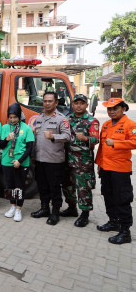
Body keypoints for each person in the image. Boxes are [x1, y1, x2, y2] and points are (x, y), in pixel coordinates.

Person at [95, 98, 136, 244]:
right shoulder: (106, 125)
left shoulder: (130, 125)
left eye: (115, 109)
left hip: (120, 169)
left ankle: (125, 232)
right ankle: (113, 222)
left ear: (123, 109)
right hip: (106, 168)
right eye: (109, 109)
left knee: (122, 198)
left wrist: (116, 143)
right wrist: (99, 164)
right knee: (108, 195)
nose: (111, 112)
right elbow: (101, 147)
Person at [30, 91, 70, 225]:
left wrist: (53, 137)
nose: (47, 103)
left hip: (54, 160)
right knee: (42, 186)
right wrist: (33, 155)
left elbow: (67, 136)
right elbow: (36, 138)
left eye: (50, 101)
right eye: (45, 101)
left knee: (54, 187)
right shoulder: (39, 118)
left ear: (56, 103)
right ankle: (44, 208)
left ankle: (55, 213)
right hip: (40, 159)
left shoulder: (61, 118)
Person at [61, 94, 99, 227]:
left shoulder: (91, 121)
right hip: (67, 159)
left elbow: (96, 139)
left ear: (86, 105)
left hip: (83, 161)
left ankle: (85, 214)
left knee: (83, 187)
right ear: (72, 105)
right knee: (67, 185)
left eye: (81, 103)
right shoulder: (67, 119)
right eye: (76, 103)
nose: (78, 106)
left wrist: (86, 139)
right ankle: (72, 208)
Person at [0, 103, 35, 222]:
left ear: (19, 116)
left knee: (19, 187)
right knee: (9, 186)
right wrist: (7, 139)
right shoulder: (4, 128)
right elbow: (1, 145)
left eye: (15, 117)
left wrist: (20, 161)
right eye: (10, 117)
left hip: (21, 163)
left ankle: (19, 209)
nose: (12, 119)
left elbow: (29, 148)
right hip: (7, 161)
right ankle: (12, 206)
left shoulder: (26, 128)